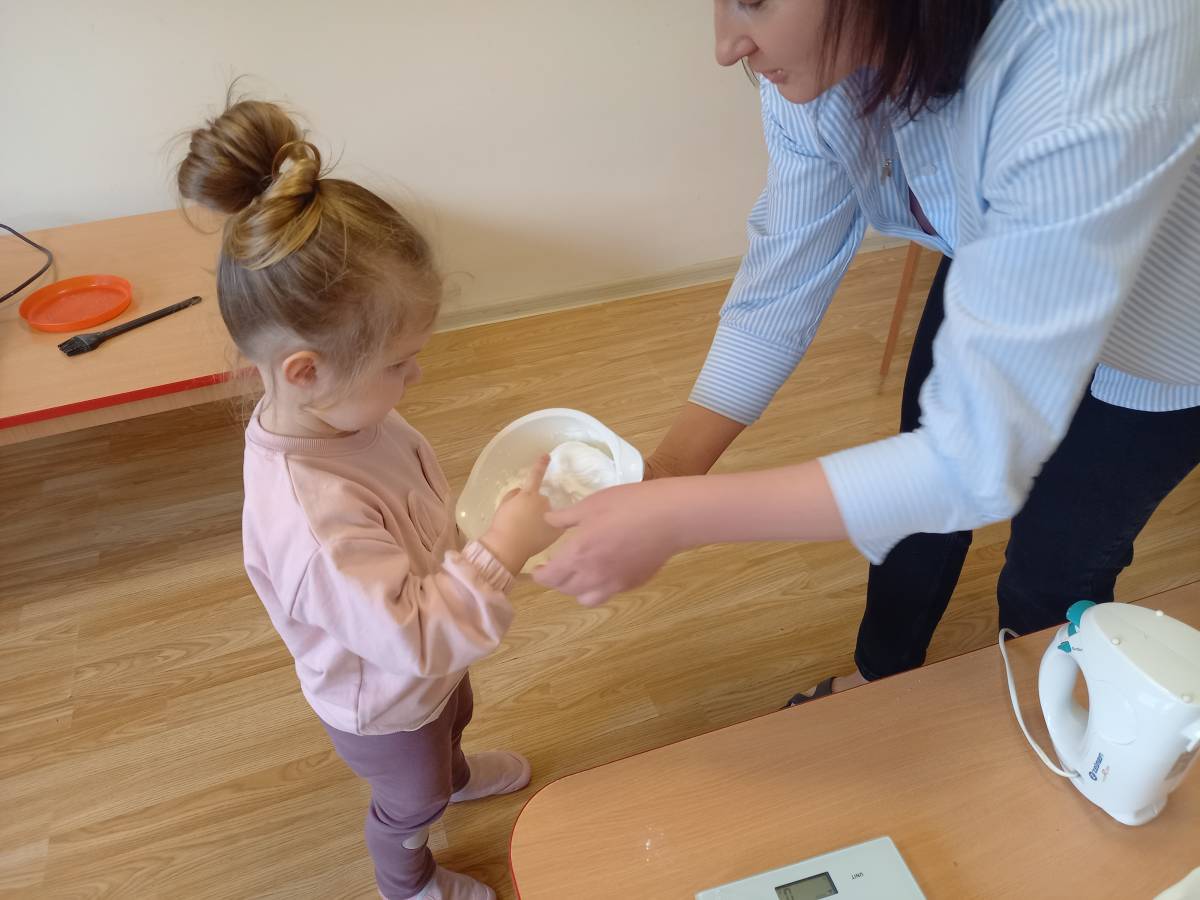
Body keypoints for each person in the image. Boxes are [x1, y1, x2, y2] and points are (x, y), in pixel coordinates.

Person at [535, 0, 1200, 703]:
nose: (726, 47)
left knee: (1052, 567)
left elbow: (967, 462)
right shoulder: (828, 58)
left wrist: (680, 515)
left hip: (1163, 338)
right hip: (1001, 261)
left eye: (754, 0)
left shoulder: (1087, 52)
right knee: (911, 513)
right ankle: (882, 673)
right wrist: (670, 469)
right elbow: (784, 275)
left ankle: (1052, 719)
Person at [178, 98, 559, 900]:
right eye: (398, 362)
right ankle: (406, 879)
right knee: (410, 798)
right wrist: (501, 549)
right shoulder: (312, 522)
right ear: (306, 370)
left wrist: (474, 543)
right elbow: (414, 638)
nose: (415, 375)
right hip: (385, 701)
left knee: (453, 715)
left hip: (428, 665)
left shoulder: (340, 415)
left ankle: (455, 773)